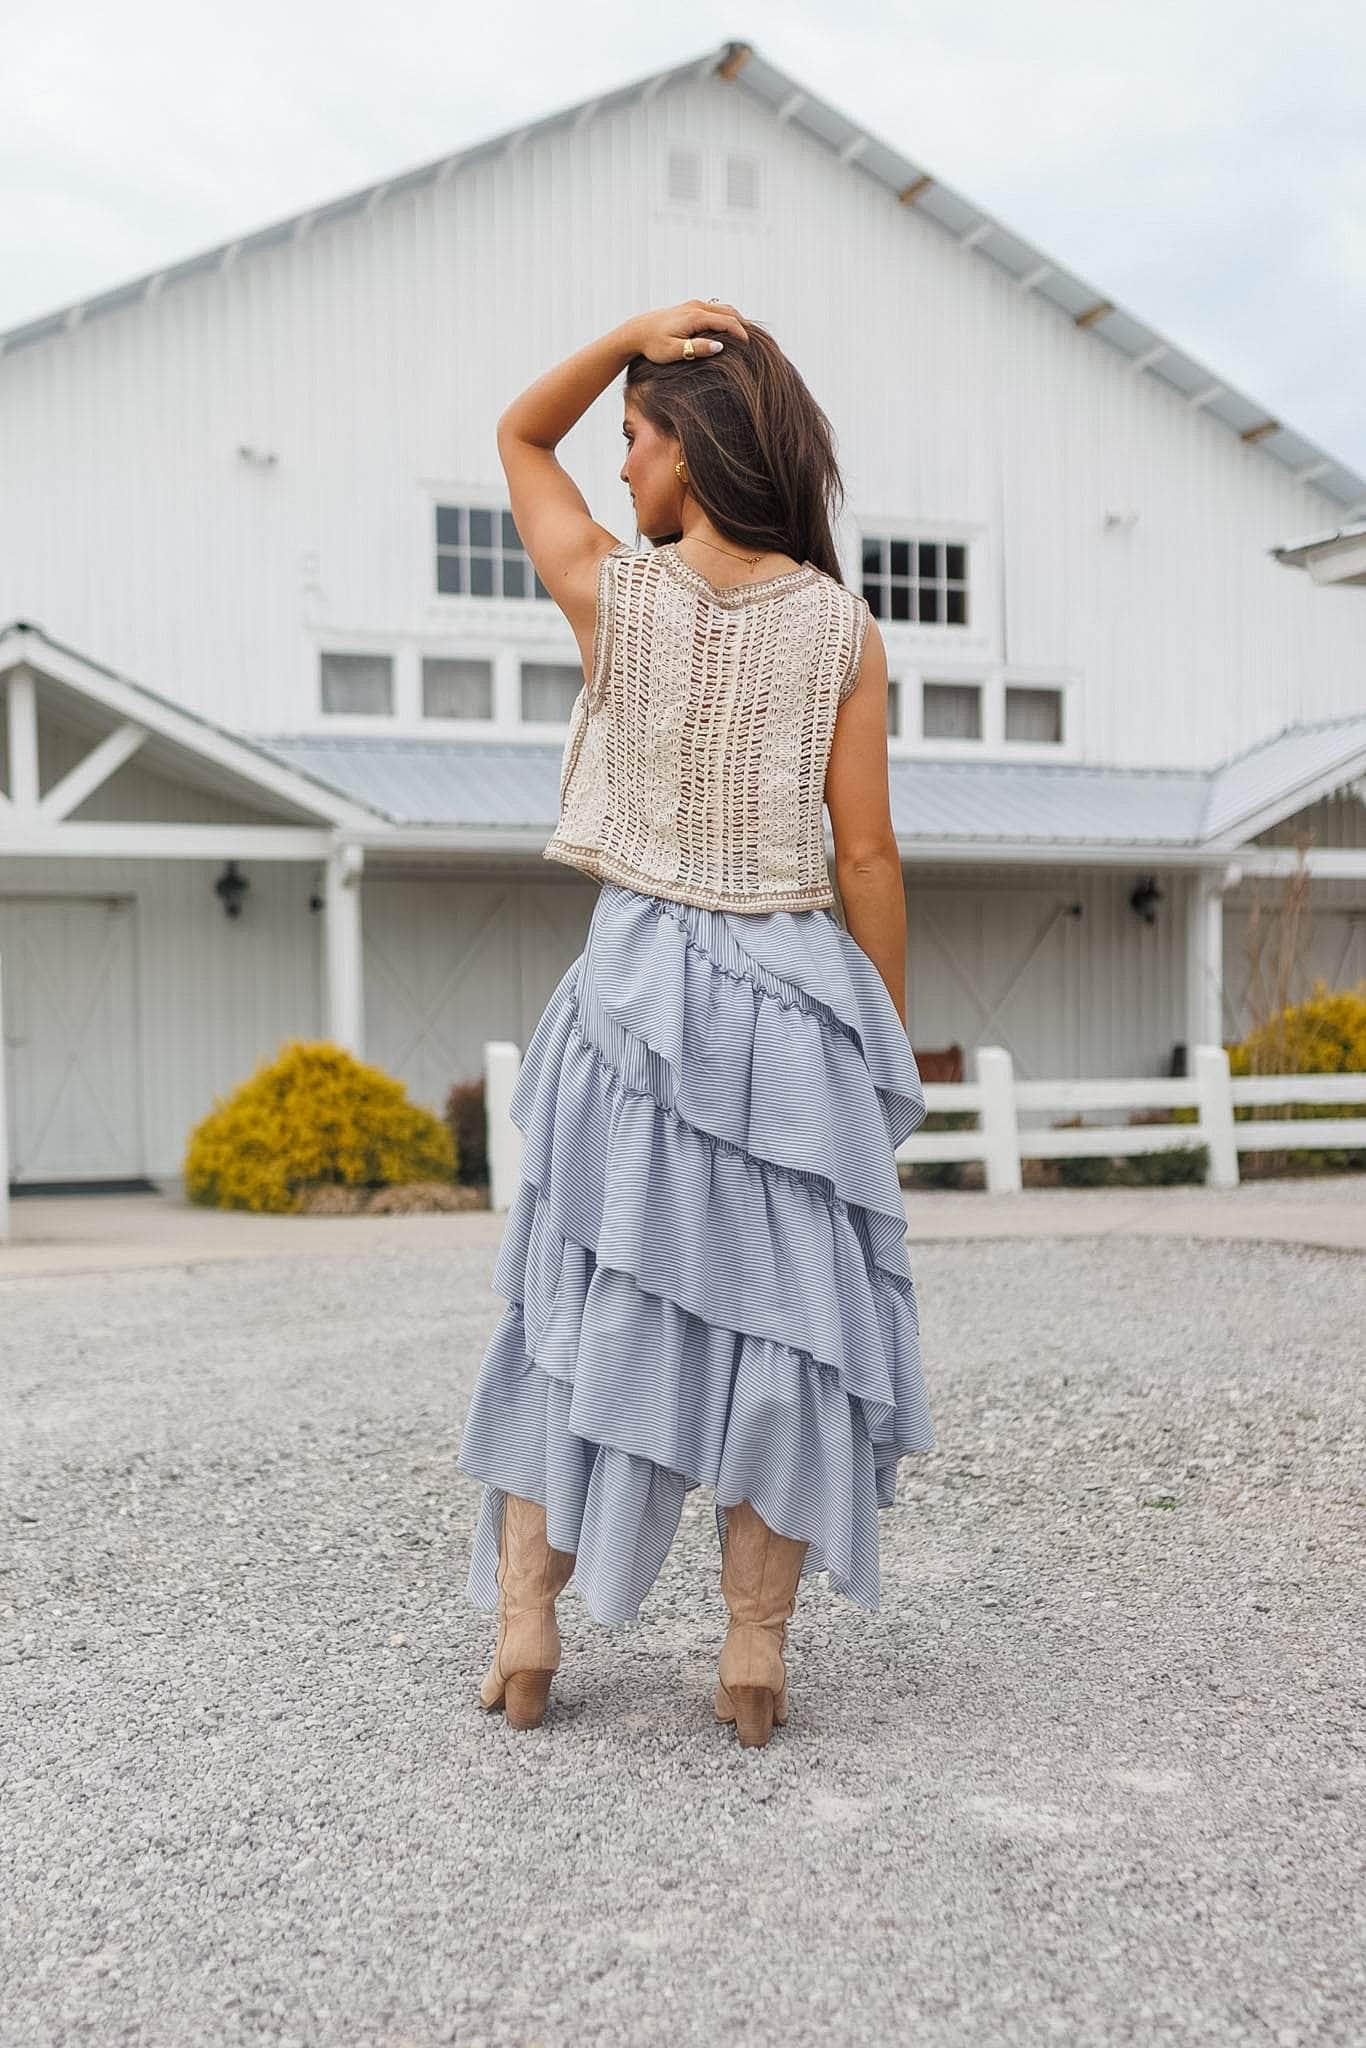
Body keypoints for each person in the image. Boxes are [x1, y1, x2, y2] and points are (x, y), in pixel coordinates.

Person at [457, 300, 934, 1747]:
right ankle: (750, 1653)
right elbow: (866, 860)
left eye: (637, 439)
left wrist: (623, 335)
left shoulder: (615, 592)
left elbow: (515, 432)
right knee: (790, 1324)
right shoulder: (845, 636)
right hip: (789, 1003)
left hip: (629, 993)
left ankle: (529, 1633)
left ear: (692, 451)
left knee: (575, 1300)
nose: (616, 468)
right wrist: (880, 1051)